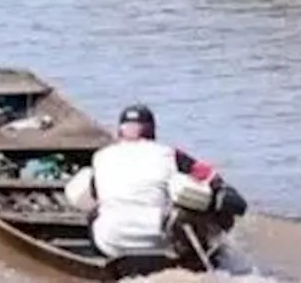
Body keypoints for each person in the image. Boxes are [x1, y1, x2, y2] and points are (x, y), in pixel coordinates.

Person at [79, 104, 225, 257]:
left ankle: (101, 262)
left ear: (120, 131)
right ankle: (203, 256)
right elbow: (214, 180)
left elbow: (95, 195)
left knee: (94, 211)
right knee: (197, 201)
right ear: (152, 130)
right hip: (159, 241)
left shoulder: (100, 156)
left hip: (110, 243)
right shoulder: (170, 154)